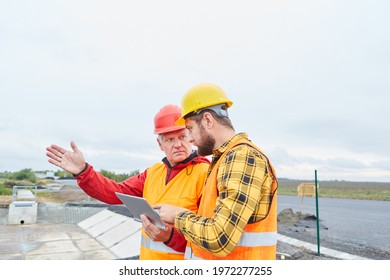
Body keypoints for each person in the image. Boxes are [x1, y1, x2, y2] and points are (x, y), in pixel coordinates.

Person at [45, 104, 210, 260]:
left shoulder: (205, 174)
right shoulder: (152, 173)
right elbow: (115, 193)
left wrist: (170, 237)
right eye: (170, 140)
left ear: (191, 137)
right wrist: (83, 172)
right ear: (160, 144)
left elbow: (212, 235)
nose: (178, 144)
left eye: (182, 136)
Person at [156, 83, 278, 260]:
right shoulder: (223, 159)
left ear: (207, 120)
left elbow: (219, 238)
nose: (189, 139)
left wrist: (178, 216)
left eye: (189, 129)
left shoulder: (242, 157)